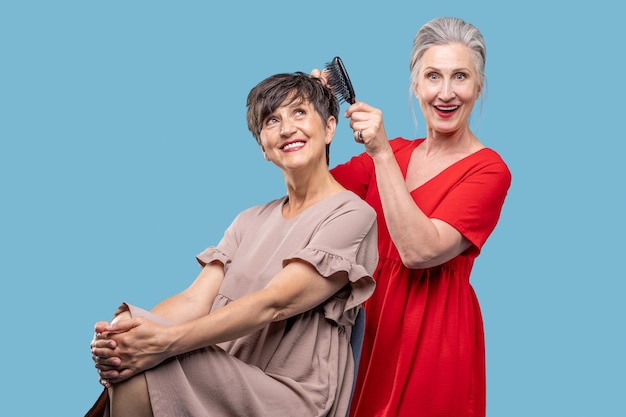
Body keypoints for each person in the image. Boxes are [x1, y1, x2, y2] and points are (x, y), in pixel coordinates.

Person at [88, 72, 378, 417]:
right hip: (229, 370)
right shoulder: (248, 219)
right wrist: (126, 333)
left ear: (330, 128)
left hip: (293, 395)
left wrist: (161, 342)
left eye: (300, 113)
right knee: (130, 342)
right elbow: (195, 298)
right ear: (263, 148)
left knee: (146, 361)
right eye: (272, 120)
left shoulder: (352, 214)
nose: (287, 129)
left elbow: (276, 303)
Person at [313, 17, 512, 417]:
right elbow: (315, 197)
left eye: (460, 76)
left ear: (479, 87)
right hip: (367, 323)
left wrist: (381, 153)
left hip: (434, 335)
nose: (445, 92)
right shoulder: (394, 152)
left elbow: (419, 251)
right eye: (432, 76)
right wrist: (320, 120)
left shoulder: (489, 170)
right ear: (416, 85)